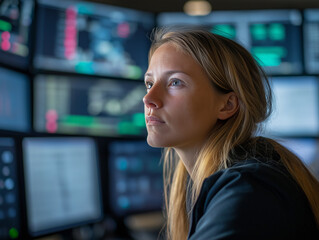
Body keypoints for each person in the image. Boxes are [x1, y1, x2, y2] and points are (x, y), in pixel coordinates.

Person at [143, 27, 319, 240]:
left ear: (227, 105)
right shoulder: (246, 176)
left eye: (175, 82)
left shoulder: (248, 189)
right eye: (150, 83)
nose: (149, 98)